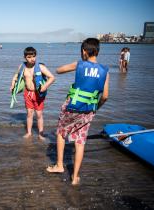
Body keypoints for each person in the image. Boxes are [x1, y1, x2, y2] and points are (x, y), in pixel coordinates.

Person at [46, 38, 109, 185]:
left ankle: (60, 165)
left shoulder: (79, 64)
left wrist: (77, 65)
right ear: (98, 51)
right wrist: (96, 108)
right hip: (88, 110)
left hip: (71, 107)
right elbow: (105, 96)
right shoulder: (105, 71)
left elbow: (59, 70)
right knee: (80, 142)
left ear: (83, 51)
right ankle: (74, 177)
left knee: (61, 133)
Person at [10, 47, 55, 140]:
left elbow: (52, 77)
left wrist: (45, 86)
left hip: (38, 94)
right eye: (29, 57)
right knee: (29, 114)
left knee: (39, 114)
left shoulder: (41, 67)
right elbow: (16, 75)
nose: (32, 59)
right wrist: (13, 83)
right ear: (25, 57)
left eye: (34, 56)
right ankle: (29, 133)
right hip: (27, 93)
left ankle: (41, 134)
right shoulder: (22, 66)